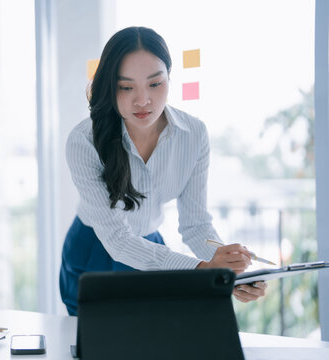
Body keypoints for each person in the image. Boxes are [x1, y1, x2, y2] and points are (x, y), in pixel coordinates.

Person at [59, 26, 267, 316]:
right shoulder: (83, 141)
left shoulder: (193, 134)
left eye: (155, 84)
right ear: (109, 86)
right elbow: (118, 241)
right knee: (95, 348)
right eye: (126, 87)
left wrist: (229, 269)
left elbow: (195, 225)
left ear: (170, 78)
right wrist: (202, 268)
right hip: (95, 249)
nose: (143, 100)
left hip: (151, 247)